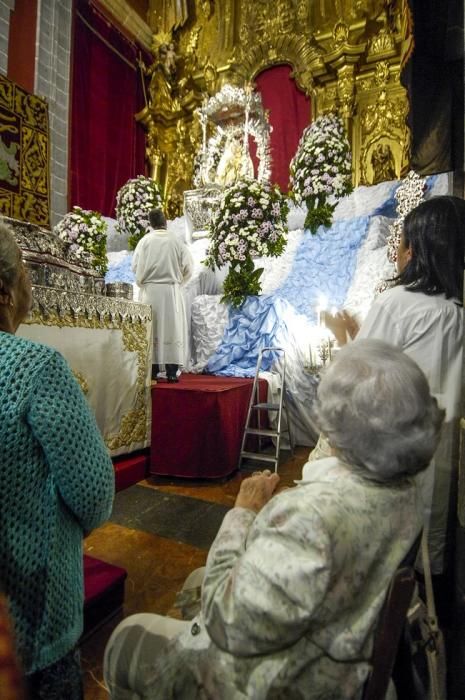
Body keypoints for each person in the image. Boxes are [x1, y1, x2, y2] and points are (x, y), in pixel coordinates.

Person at [104, 339, 444, 699]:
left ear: (340, 426)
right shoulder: (406, 492)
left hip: (285, 680)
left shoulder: (311, 515)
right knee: (196, 579)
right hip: (345, 650)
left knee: (128, 638)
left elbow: (226, 623)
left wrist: (244, 511)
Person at [0, 222, 115, 699]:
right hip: (29, 622)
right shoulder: (36, 368)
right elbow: (94, 495)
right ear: (5, 290)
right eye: (25, 270)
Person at [322, 195, 464, 577]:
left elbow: (362, 376)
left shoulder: (397, 302)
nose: (398, 253)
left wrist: (342, 336)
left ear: (415, 249)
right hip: (447, 444)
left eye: (402, 244)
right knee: (434, 539)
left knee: (395, 544)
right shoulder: (455, 307)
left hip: (399, 441)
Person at [132, 209, 193, 382]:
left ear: (150, 224)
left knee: (152, 330)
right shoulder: (176, 241)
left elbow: (135, 267)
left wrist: (144, 281)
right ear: (165, 222)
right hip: (170, 292)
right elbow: (188, 267)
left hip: (150, 292)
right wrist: (178, 283)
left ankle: (151, 372)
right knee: (171, 330)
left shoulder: (144, 241)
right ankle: (172, 373)